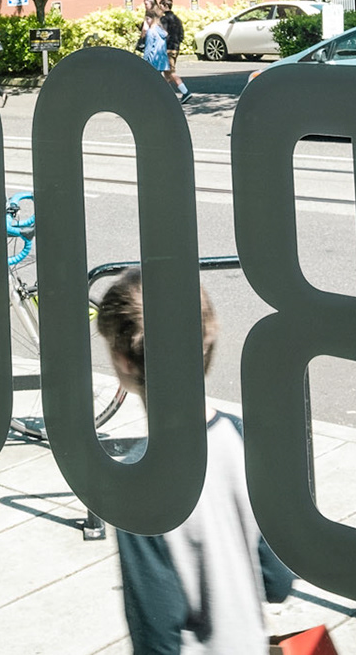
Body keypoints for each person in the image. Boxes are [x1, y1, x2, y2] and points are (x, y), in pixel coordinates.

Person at [97, 269, 291, 655]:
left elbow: (156, 631)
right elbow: (278, 581)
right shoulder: (244, 438)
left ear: (124, 361)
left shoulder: (140, 481)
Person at [159, 0, 191, 103]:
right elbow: (181, 35)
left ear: (165, 6)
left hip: (167, 48)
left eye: (161, 6)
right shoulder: (177, 19)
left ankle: (185, 92)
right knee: (167, 75)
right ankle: (164, 96)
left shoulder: (164, 20)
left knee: (171, 72)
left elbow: (163, 34)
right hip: (175, 48)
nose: (160, 9)